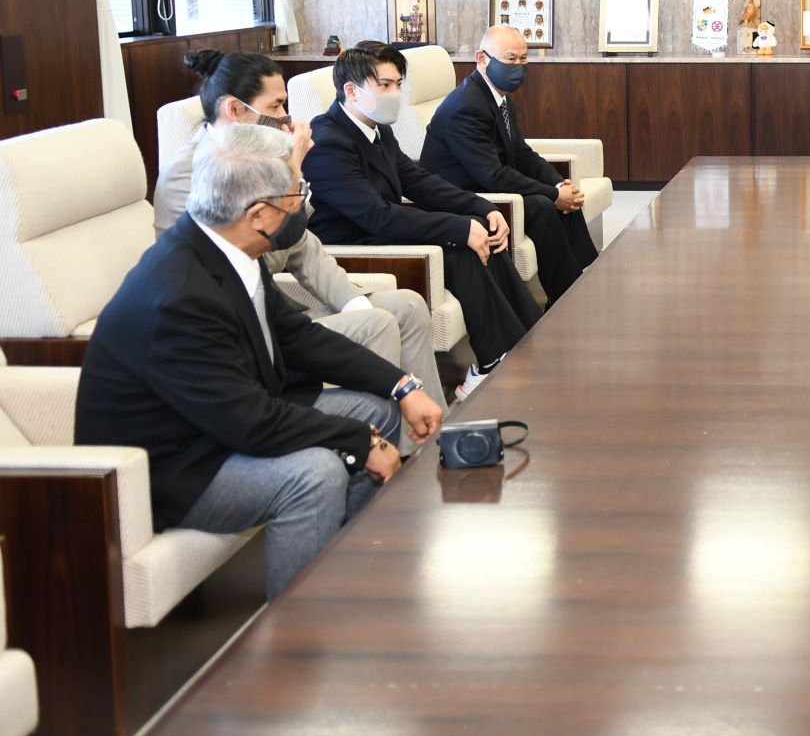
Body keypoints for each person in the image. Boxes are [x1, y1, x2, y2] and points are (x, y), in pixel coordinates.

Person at [76, 125, 444, 597]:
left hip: (220, 424)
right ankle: (299, 628)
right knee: (315, 475)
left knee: (376, 410)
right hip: (175, 466)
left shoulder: (228, 249)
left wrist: (402, 385)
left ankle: (346, 573)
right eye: (296, 194)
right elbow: (249, 423)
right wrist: (358, 441)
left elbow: (298, 337)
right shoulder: (180, 296)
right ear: (258, 214)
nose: (303, 205)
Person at [156, 50, 448, 410]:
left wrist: (353, 302)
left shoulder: (262, 155)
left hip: (280, 311)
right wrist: (292, 171)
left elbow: (304, 248)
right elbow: (249, 252)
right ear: (235, 110)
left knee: (408, 306)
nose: (286, 117)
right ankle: (389, 432)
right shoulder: (192, 171)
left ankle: (435, 427)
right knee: (377, 324)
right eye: (276, 106)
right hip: (242, 327)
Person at [302, 46, 541, 399]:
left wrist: (482, 207)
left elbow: (417, 181)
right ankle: (492, 361)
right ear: (351, 90)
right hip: (354, 245)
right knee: (459, 247)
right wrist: (459, 229)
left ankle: (530, 337)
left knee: (481, 227)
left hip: (381, 230)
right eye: (385, 85)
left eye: (398, 84)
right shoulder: (327, 141)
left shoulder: (376, 128)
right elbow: (375, 215)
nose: (395, 93)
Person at [419, 26, 599, 305]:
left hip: (488, 185)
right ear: (482, 59)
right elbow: (492, 175)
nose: (518, 67)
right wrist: (553, 195)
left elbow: (522, 154)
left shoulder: (499, 98)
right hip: (464, 196)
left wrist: (558, 184)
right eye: (510, 59)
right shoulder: (466, 107)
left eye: (523, 59)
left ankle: (580, 284)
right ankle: (566, 299)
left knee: (565, 201)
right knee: (543, 206)